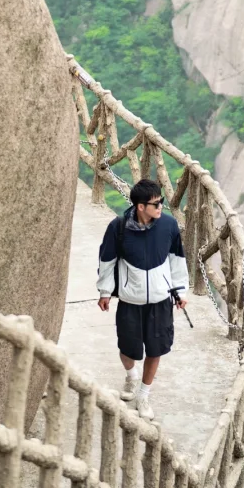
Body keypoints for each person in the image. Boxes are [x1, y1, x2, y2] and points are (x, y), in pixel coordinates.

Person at [96, 177, 188, 420]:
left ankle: (143, 395)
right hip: (130, 300)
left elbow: (177, 260)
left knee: (155, 349)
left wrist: (180, 291)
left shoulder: (168, 226)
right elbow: (107, 261)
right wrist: (105, 292)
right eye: (156, 204)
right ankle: (131, 376)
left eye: (161, 202)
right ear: (140, 206)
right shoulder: (118, 228)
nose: (161, 208)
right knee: (127, 349)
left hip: (160, 300)